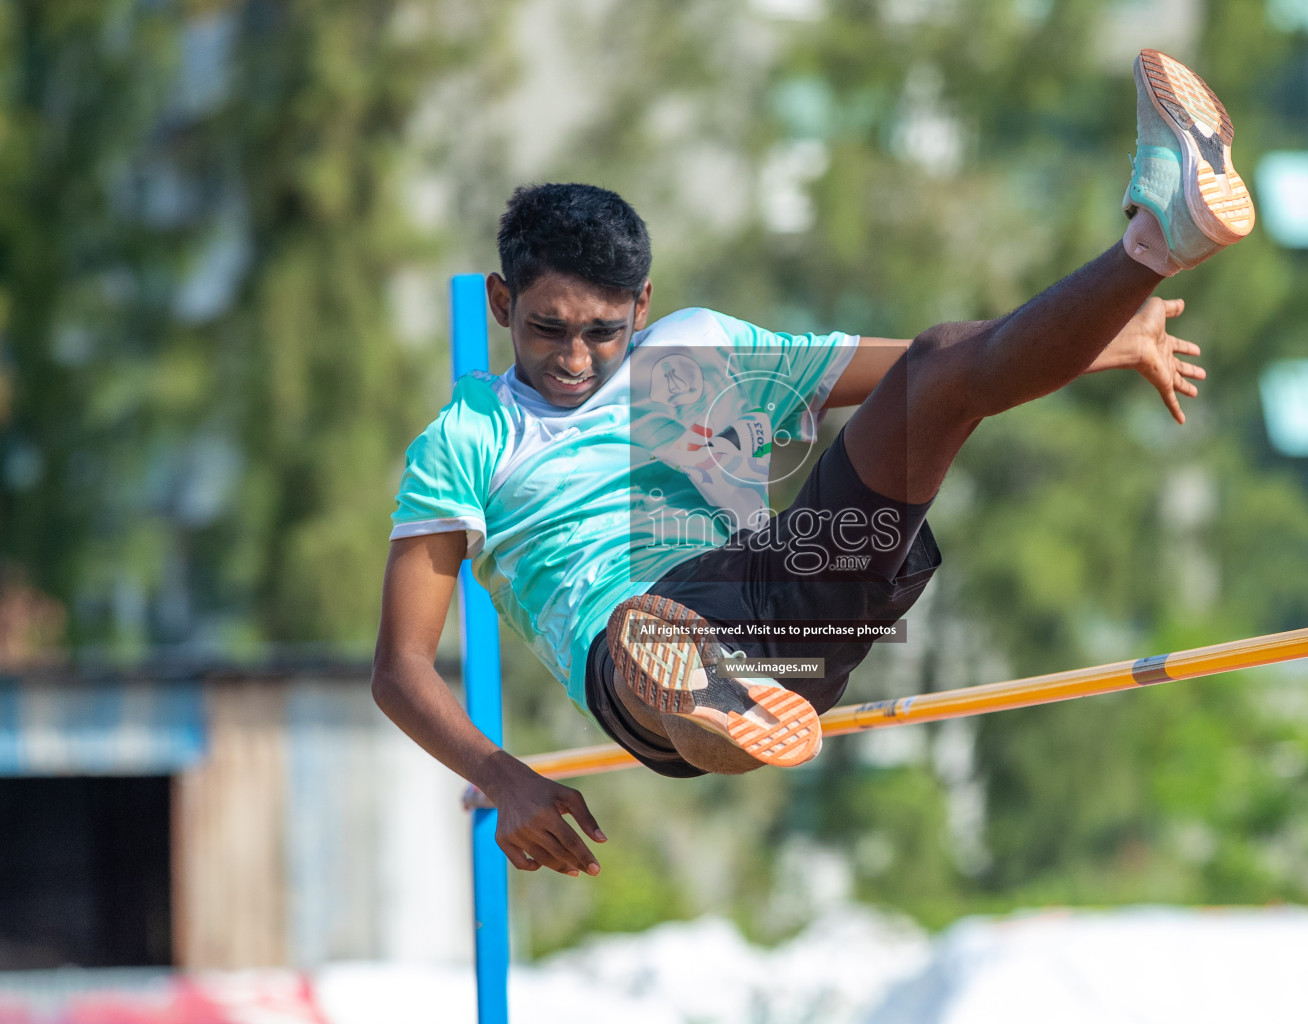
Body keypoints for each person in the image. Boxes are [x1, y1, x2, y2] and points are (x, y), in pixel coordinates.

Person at [371, 49, 1254, 878]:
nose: (574, 358)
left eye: (604, 332)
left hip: (794, 584)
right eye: (547, 329)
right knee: (651, 627)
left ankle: (1155, 233)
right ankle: (702, 688)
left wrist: (1109, 326)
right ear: (501, 302)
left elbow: (940, 368)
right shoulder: (467, 438)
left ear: (644, 303)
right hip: (631, 628)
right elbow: (401, 665)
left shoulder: (700, 348)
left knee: (942, 360)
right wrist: (504, 776)